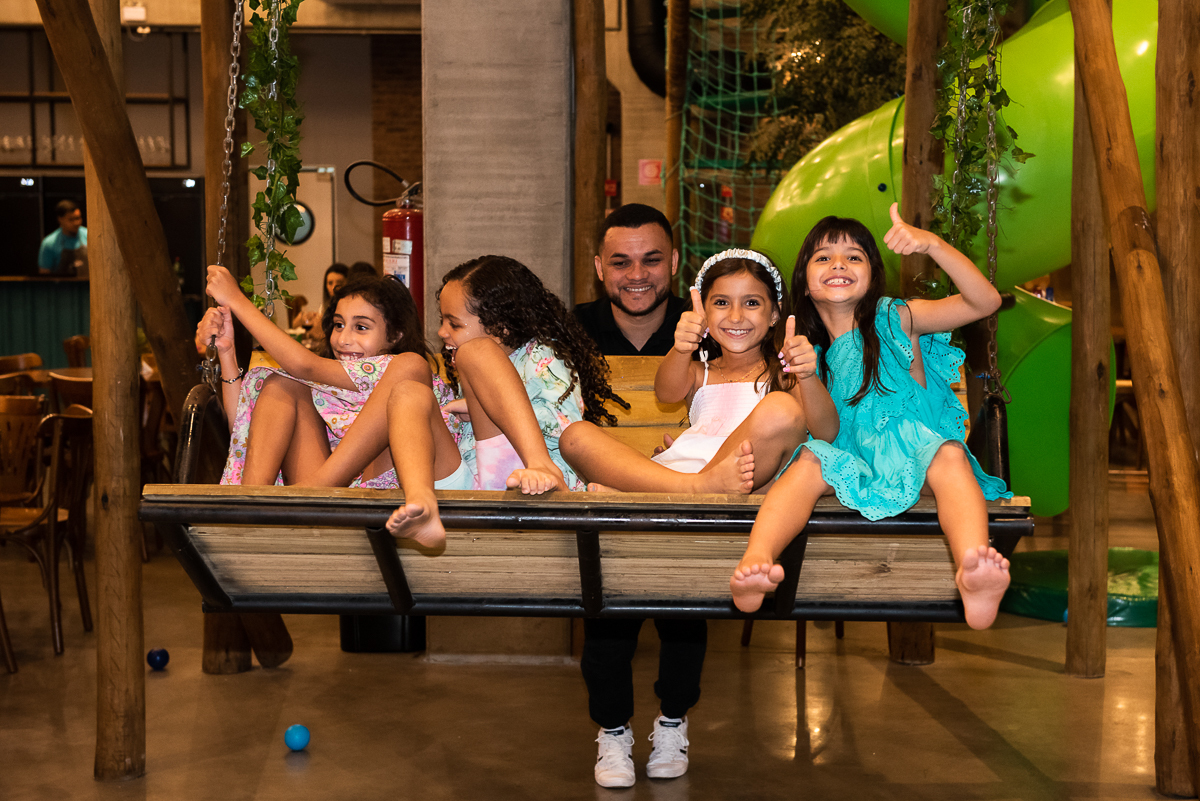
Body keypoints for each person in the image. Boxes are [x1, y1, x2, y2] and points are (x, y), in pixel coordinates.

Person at [730, 203, 1013, 630]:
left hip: (917, 453)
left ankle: (973, 569)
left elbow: (984, 301)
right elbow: (825, 430)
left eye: (854, 256)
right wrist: (806, 374)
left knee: (951, 455)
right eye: (822, 257)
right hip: (849, 460)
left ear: (872, 277)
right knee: (808, 462)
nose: (838, 263)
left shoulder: (896, 318)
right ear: (805, 285)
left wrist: (931, 245)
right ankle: (756, 564)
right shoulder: (807, 351)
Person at [380, 254, 621, 547]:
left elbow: (562, 428)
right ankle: (422, 503)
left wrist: (478, 406)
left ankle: (540, 463)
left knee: (473, 351)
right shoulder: (462, 372)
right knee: (407, 392)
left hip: (526, 480)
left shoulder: (540, 357)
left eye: (454, 324)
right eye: (442, 320)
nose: (442, 332)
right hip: (468, 483)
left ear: (501, 328)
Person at [560, 248, 837, 496]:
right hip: (682, 476)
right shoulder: (698, 372)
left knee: (781, 409)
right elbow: (666, 393)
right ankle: (692, 490)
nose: (736, 316)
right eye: (721, 303)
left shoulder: (785, 373)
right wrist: (681, 348)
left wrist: (807, 375)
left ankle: (644, 495)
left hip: (743, 477)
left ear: (774, 314)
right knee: (575, 436)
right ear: (703, 311)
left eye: (751, 303)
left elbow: (825, 432)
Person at [197, 265, 455, 488]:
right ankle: (251, 508)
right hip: (322, 503)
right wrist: (227, 352)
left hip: (379, 501)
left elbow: (304, 365)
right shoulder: (326, 382)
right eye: (339, 325)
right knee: (282, 385)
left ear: (395, 335)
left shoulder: (401, 368)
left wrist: (236, 299)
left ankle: (269, 505)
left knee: (408, 372)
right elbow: (245, 435)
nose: (344, 339)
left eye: (361, 327)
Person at [573, 203, 688, 355]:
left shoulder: (708, 333)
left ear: (673, 262)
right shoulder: (570, 332)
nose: (637, 275)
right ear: (599, 268)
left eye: (652, 260)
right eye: (620, 263)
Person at [38, 200, 87, 275]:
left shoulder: (89, 235)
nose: (76, 223)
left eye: (78, 218)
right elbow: (44, 275)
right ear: (60, 219)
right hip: (61, 286)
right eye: (71, 220)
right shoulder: (49, 243)